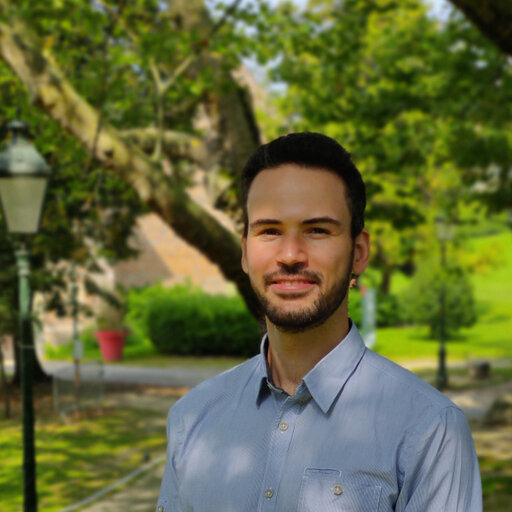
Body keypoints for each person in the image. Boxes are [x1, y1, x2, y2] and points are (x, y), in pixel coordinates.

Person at [156, 132, 482, 511]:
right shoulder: (191, 418)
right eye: (270, 231)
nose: (290, 254)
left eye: (317, 230)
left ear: (358, 253)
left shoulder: (430, 431)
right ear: (245, 251)